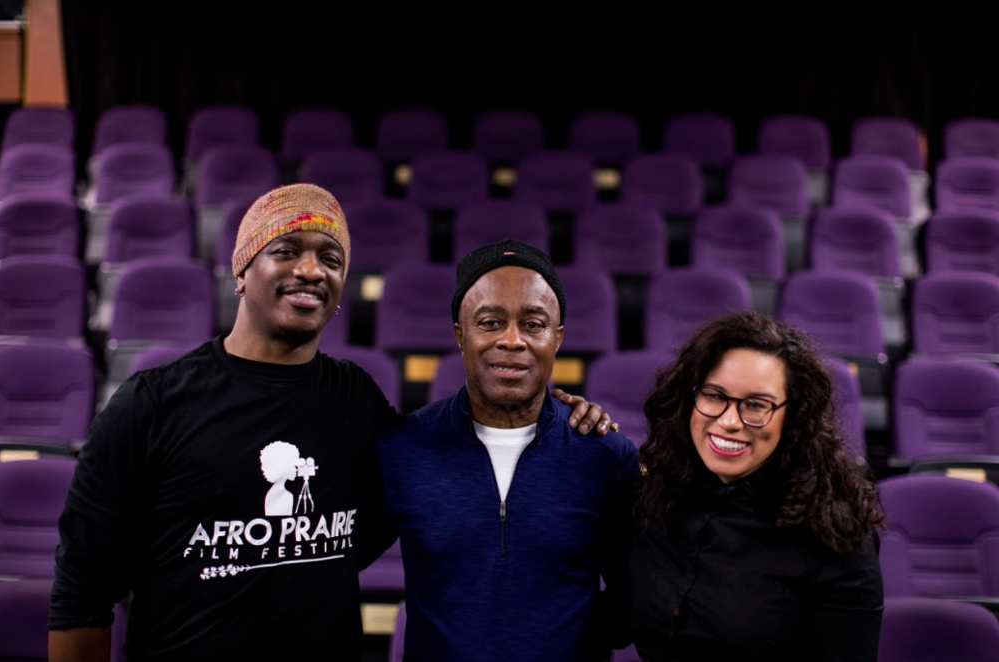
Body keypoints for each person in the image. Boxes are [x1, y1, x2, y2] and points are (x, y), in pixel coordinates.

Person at [47, 185, 612, 662]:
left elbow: (443, 458)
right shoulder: (152, 403)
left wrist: (555, 409)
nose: (311, 270)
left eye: (332, 258)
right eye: (287, 249)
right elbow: (81, 594)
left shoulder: (354, 399)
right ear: (243, 271)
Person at [377, 238, 640, 662]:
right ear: (460, 336)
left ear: (557, 339)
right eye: (490, 322)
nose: (512, 340)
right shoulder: (404, 448)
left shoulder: (606, 457)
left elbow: (632, 602)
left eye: (533, 324)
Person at [629, 311, 884, 661]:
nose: (730, 421)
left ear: (793, 417)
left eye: (756, 405)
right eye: (715, 395)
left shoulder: (837, 535)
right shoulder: (655, 495)